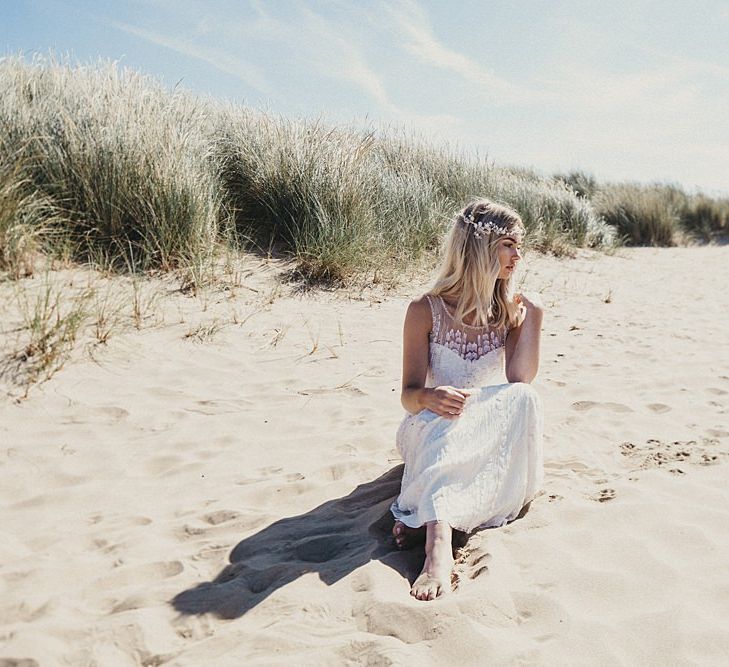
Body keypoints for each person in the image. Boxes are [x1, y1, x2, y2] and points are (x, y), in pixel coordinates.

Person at [390, 198, 544, 601]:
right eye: (509, 243)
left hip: (478, 423)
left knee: (525, 398)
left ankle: (423, 511)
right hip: (428, 423)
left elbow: (519, 379)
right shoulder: (425, 310)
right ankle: (438, 545)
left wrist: (535, 317)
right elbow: (407, 397)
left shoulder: (507, 311)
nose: (518, 255)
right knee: (451, 424)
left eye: (519, 245)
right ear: (480, 246)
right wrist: (429, 395)